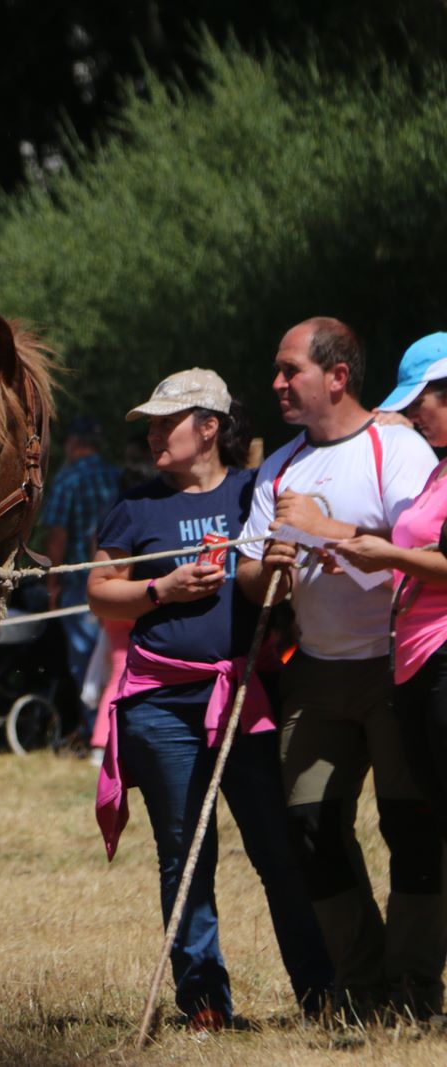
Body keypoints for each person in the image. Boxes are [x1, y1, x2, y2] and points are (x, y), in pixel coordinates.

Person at [89, 368, 332, 1030]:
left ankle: (321, 991)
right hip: (160, 704)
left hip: (243, 695)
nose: (152, 432)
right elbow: (97, 590)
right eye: (151, 422)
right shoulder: (134, 507)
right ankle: (204, 1003)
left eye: (167, 420)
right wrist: (159, 590)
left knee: (276, 846)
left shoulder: (256, 493)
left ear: (210, 427)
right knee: (184, 852)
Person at [236, 318, 443, 1020]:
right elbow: (247, 573)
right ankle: (362, 987)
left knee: (412, 826)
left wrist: (331, 535)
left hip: (396, 666)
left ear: (337, 376)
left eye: (288, 368)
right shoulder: (280, 466)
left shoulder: (400, 450)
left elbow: (423, 548)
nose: (276, 383)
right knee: (312, 828)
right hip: (316, 672)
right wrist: (269, 567)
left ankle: (415, 989)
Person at [333, 331, 447, 852]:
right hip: (415, 661)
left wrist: (388, 557)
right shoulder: (439, 468)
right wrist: (366, 560)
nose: (414, 417)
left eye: (419, 404)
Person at [40, 415, 121, 748]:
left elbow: (56, 535)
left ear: (73, 444)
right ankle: (111, 728)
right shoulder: (116, 475)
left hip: (79, 583)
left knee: (85, 660)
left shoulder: (67, 479)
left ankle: (94, 733)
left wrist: (52, 582)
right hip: (120, 580)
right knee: (112, 657)